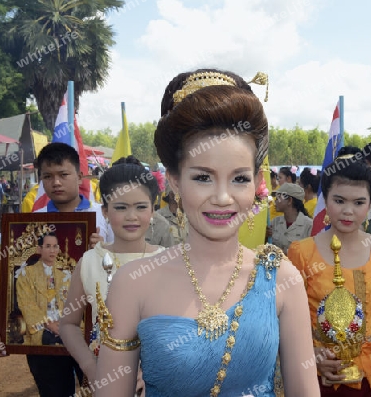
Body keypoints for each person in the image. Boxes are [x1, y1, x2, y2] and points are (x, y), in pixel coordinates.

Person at [94, 69, 319, 396]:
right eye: (203, 177)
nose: (223, 197)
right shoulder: (132, 283)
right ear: (174, 180)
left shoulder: (283, 279)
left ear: (257, 182)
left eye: (239, 178)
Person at [287, 157, 371, 396]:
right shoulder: (301, 251)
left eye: (359, 202)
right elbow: (286, 315)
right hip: (321, 376)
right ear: (326, 200)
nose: (348, 211)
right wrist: (311, 354)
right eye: (339, 200)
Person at [59, 156, 165, 395]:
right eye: (120, 207)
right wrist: (92, 367)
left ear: (153, 209)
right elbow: (68, 324)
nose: (131, 216)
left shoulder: (169, 261)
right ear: (105, 211)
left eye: (140, 207)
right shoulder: (89, 262)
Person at [16, 232, 79, 397]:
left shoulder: (65, 276)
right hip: (40, 331)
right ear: (39, 249)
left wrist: (65, 324)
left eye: (55, 246)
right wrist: (50, 325)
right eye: (48, 246)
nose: (52, 250)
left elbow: (72, 304)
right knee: (50, 387)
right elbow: (27, 304)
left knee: (67, 384)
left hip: (63, 331)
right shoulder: (25, 275)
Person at [34, 142, 111, 245]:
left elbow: (121, 257)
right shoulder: (34, 221)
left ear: (79, 178)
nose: (56, 182)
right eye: (48, 176)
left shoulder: (105, 215)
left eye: (63, 175)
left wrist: (104, 251)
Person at [267, 183, 312, 254]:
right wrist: (266, 236)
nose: (275, 201)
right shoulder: (275, 222)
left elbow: (308, 253)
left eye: (278, 198)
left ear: (289, 200)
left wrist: (284, 252)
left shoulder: (308, 225)